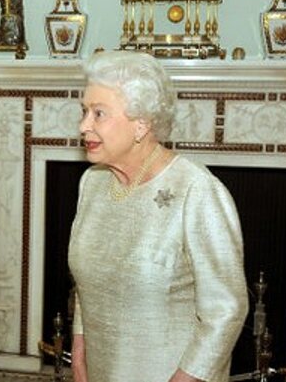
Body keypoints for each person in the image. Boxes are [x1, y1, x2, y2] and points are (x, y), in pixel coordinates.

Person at [68, 51, 248, 382]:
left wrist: (184, 379)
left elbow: (227, 310)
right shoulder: (92, 183)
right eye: (84, 111)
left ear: (141, 124)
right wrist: (79, 352)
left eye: (98, 114)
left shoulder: (196, 191)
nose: (83, 126)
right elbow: (87, 281)